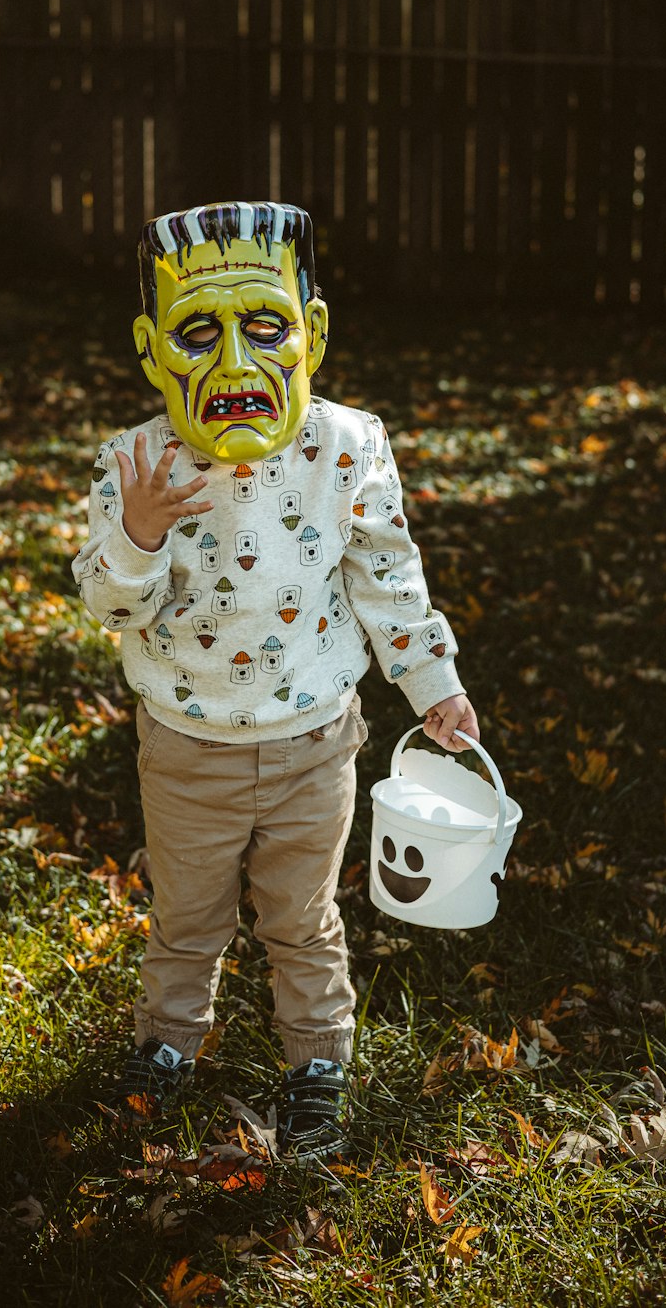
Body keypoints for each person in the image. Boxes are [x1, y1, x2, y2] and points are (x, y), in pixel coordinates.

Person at [70, 200, 480, 1160]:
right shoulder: (134, 462)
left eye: (265, 328)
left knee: (301, 915)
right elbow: (108, 607)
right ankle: (167, 1047)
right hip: (186, 745)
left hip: (313, 742)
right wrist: (137, 531)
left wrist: (433, 685)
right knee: (188, 915)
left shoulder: (349, 447)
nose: (235, 365)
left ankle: (317, 1062)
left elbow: (387, 576)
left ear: (314, 332)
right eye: (197, 333)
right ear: (150, 347)